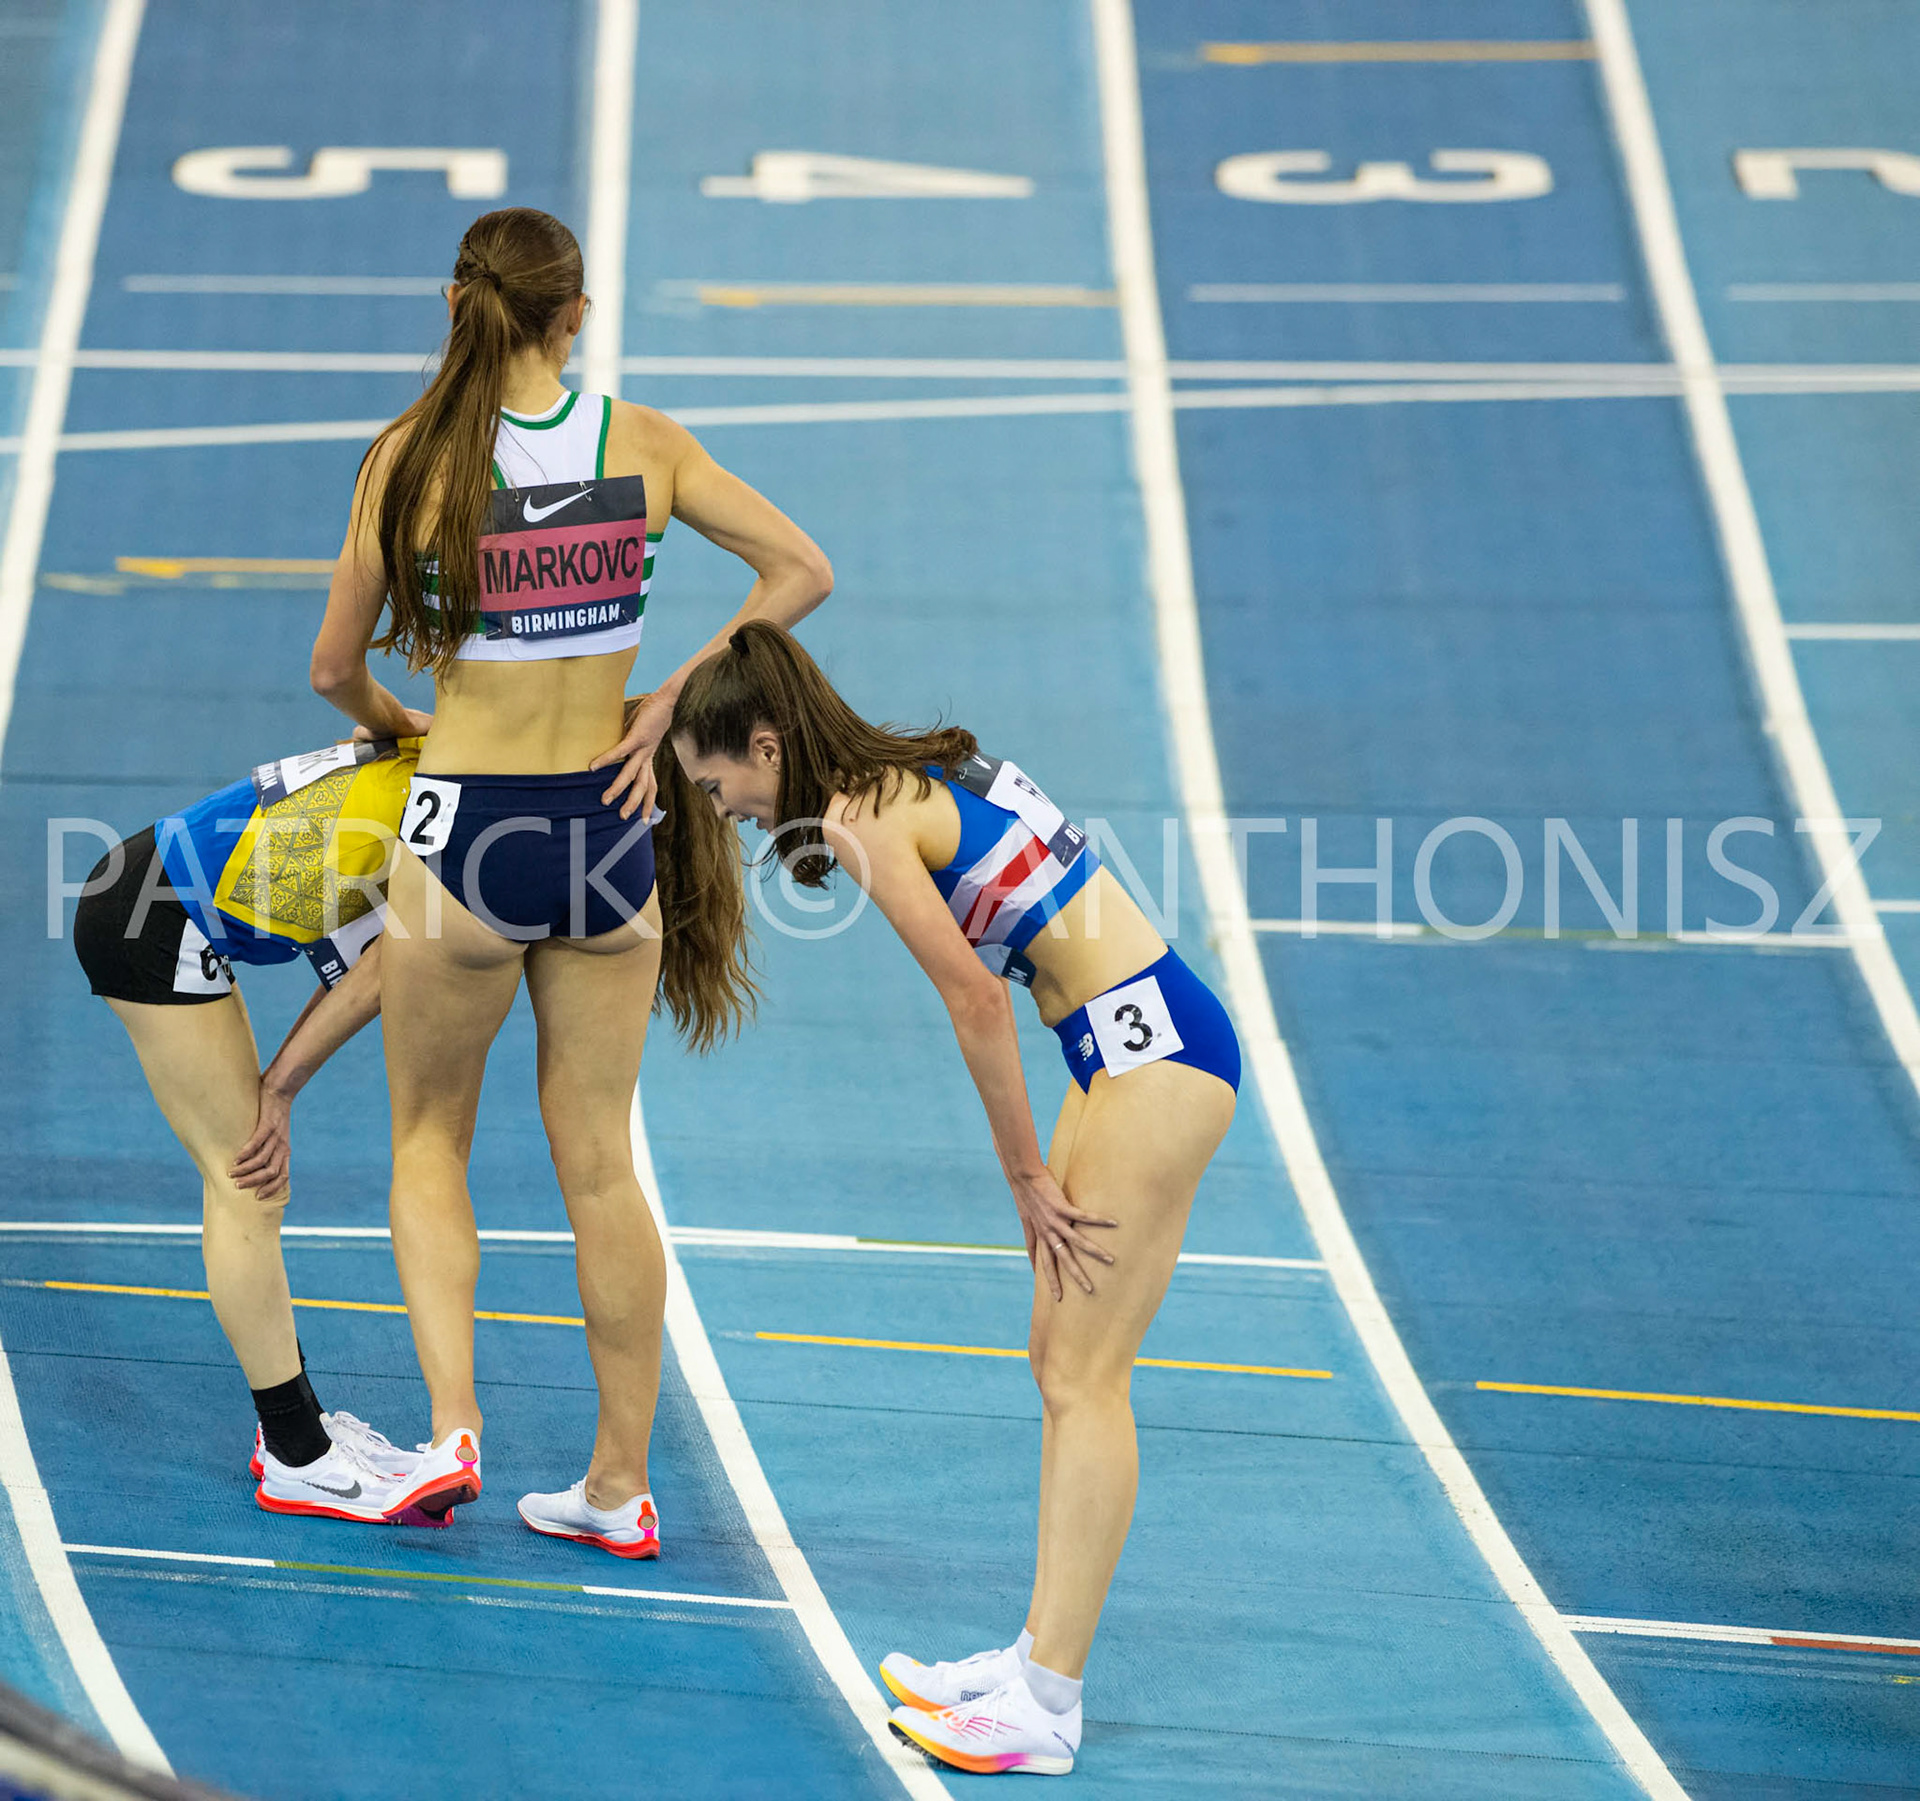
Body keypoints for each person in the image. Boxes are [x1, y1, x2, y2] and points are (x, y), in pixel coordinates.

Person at [308, 206, 828, 1547]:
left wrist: (395, 723)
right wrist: (672, 699)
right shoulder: (639, 446)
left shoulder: (409, 460)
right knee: (601, 1167)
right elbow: (799, 570)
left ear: (454, 302)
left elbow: (330, 667)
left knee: (430, 1141)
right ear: (573, 315)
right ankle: (617, 1483)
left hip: (468, 827)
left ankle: (453, 1430)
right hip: (608, 830)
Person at [665, 622, 1240, 1777]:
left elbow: (976, 1001)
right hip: (1118, 1048)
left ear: (767, 746)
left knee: (1087, 1376)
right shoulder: (900, 773)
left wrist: (1023, 1171)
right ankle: (1034, 1658)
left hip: (1154, 1057)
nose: (719, 807)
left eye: (717, 781)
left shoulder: (861, 816)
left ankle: (1051, 1704)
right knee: (1058, 1361)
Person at [72, 734, 433, 1524]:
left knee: (250, 1185)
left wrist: (279, 1086)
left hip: (167, 901)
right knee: (248, 1183)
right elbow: (381, 972)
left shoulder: (439, 751)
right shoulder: (455, 809)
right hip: (153, 918)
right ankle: (296, 1452)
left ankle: (299, 1428)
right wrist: (278, 1090)